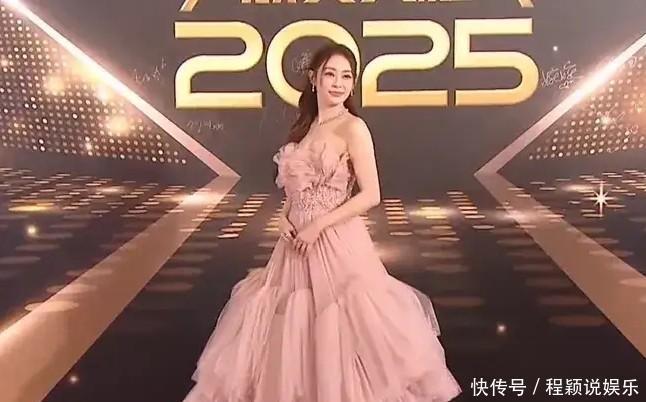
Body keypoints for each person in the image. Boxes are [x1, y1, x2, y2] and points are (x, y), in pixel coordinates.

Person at [183, 42, 462, 402]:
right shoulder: (306, 127)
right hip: (294, 248)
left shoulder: (354, 128)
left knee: (344, 328)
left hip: (336, 243)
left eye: (346, 76)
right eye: (331, 74)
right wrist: (283, 217)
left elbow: (371, 194)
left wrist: (319, 226)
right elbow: (296, 191)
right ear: (314, 79)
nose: (338, 83)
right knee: (290, 332)